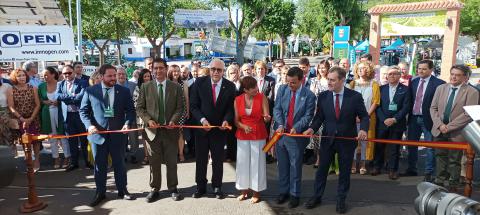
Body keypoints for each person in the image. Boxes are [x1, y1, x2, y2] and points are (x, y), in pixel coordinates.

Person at [303, 66, 369, 213]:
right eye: (328, 80)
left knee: (344, 172)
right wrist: (312, 128)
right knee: (322, 170)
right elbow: (319, 117)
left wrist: (364, 129)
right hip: (328, 139)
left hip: (347, 140)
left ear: (342, 80)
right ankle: (317, 196)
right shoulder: (324, 96)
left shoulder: (354, 97)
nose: (329, 83)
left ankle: (341, 200)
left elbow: (364, 116)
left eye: (332, 80)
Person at [79, 64, 136, 207]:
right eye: (109, 76)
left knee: (120, 164)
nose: (113, 78)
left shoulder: (123, 91)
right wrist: (89, 126)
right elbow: (83, 111)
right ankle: (100, 192)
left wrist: (127, 123)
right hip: (98, 136)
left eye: (114, 75)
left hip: (118, 135)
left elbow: (130, 111)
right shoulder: (90, 91)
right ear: (101, 76)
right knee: (99, 166)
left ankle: (123, 190)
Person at [136, 58, 184, 202]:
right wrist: (148, 120)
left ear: (166, 68)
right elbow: (140, 108)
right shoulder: (146, 87)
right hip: (152, 132)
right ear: (152, 70)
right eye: (155, 68)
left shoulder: (175, 87)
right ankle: (155, 188)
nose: (158, 71)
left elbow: (180, 108)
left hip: (170, 131)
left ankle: (173, 188)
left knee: (171, 162)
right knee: (154, 163)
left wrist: (173, 121)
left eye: (161, 68)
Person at [190, 58, 236, 199]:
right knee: (201, 159)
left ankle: (217, 186)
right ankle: (200, 187)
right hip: (202, 129)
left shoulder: (230, 86)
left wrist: (226, 120)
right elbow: (193, 106)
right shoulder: (199, 83)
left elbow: (230, 109)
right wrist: (202, 120)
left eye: (219, 70)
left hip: (219, 131)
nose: (216, 72)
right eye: (213, 69)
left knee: (218, 160)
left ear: (223, 71)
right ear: (209, 70)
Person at [430, 65, 479, 192]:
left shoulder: (472, 92)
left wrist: (449, 127)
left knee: (454, 159)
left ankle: (453, 183)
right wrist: (440, 125)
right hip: (439, 129)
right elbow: (433, 108)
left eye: (457, 75)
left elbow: (468, 114)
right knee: (440, 156)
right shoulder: (441, 88)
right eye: (452, 74)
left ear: (465, 77)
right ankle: (440, 181)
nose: (453, 77)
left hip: (457, 132)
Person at [273, 67, 315, 208]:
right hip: (281, 134)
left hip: (296, 136)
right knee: (282, 165)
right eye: (288, 82)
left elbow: (308, 116)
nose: (290, 85)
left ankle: (294, 194)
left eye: (293, 83)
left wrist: (297, 127)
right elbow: (277, 108)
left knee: (295, 167)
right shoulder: (282, 90)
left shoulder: (309, 95)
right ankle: (283, 192)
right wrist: (279, 124)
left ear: (301, 80)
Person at [402, 60, 445, 182]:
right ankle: (412, 168)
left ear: (431, 70)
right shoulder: (414, 81)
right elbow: (410, 100)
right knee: (412, 145)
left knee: (430, 147)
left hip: (430, 119)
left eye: (424, 69)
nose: (420, 71)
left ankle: (429, 172)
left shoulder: (439, 84)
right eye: (419, 68)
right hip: (414, 118)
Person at [234, 76, 271, 204]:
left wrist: (266, 117)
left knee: (258, 164)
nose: (256, 89)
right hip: (242, 134)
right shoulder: (237, 100)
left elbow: (267, 116)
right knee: (242, 163)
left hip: (258, 133)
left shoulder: (262, 97)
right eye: (253, 88)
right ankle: (243, 190)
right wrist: (243, 126)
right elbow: (236, 121)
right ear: (245, 90)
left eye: (256, 86)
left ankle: (256, 191)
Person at [372, 66, 411, 180]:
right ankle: (377, 167)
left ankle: (393, 170)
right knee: (379, 146)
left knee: (394, 148)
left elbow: (406, 107)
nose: (392, 76)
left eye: (395, 74)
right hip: (382, 122)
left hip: (397, 123)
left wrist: (394, 119)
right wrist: (384, 119)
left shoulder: (406, 89)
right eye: (390, 74)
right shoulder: (381, 88)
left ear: (399, 76)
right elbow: (377, 106)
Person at [56, 65, 91, 171]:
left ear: (74, 72)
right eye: (64, 73)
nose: (67, 75)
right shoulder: (60, 84)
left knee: (84, 140)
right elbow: (57, 96)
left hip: (80, 115)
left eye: (69, 73)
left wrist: (67, 99)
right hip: (68, 116)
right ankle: (74, 163)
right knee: (72, 141)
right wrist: (73, 98)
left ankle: (88, 162)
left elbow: (81, 97)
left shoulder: (83, 82)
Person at [348, 61, 380, 175]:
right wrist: (355, 115)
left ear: (370, 70)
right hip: (353, 118)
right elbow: (349, 101)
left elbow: (375, 102)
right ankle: (352, 164)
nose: (362, 70)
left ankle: (363, 164)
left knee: (365, 142)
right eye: (360, 68)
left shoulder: (374, 84)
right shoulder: (352, 84)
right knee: (353, 141)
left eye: (365, 68)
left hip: (369, 117)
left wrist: (365, 116)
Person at [7, 69, 41, 170]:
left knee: (36, 141)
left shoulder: (33, 88)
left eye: (23, 75)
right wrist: (22, 119)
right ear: (15, 78)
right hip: (20, 119)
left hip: (33, 118)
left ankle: (37, 160)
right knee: (25, 142)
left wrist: (31, 118)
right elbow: (11, 107)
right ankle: (29, 161)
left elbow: (38, 105)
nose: (22, 77)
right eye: (19, 76)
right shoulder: (11, 90)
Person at [38, 67, 71, 169]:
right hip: (47, 113)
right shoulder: (41, 86)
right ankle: (56, 158)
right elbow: (39, 99)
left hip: (60, 112)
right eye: (43, 75)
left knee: (62, 136)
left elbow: (66, 97)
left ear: (53, 74)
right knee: (52, 137)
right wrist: (44, 102)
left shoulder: (61, 84)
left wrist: (59, 102)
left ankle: (67, 157)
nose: (45, 77)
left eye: (46, 74)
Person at [308, 60, 330, 169]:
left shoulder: (330, 81)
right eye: (320, 67)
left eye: (324, 67)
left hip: (327, 112)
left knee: (324, 137)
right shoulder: (313, 81)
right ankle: (316, 157)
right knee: (316, 137)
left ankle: (322, 159)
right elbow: (310, 96)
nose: (322, 70)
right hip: (315, 112)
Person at [167, 64, 189, 162]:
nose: (176, 73)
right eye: (174, 71)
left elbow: (186, 99)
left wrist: (188, 111)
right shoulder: (166, 83)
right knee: (170, 134)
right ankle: (172, 154)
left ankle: (181, 154)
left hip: (181, 112)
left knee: (180, 134)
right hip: (169, 112)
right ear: (170, 72)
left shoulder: (183, 83)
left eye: (177, 71)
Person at [117, 66, 139, 164]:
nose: (121, 76)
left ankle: (133, 154)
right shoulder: (113, 86)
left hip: (131, 114)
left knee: (133, 136)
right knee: (122, 138)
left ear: (126, 75)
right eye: (119, 74)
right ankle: (123, 155)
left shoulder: (133, 85)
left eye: (123, 74)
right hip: (119, 116)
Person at [132, 69, 152, 165]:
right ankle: (146, 156)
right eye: (145, 76)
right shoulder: (137, 88)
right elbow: (135, 104)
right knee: (145, 137)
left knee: (154, 137)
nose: (147, 78)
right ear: (141, 78)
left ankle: (155, 156)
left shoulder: (155, 86)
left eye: (148, 76)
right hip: (142, 117)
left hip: (154, 117)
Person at [226, 64, 241, 162]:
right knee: (230, 135)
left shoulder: (242, 83)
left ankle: (239, 155)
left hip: (241, 112)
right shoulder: (226, 84)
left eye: (235, 72)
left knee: (239, 135)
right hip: (230, 112)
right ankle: (230, 155)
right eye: (231, 73)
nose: (233, 75)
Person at [0, 77, 16, 147]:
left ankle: (11, 156)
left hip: (6, 115)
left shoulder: (6, 86)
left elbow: (14, 101)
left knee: (8, 136)